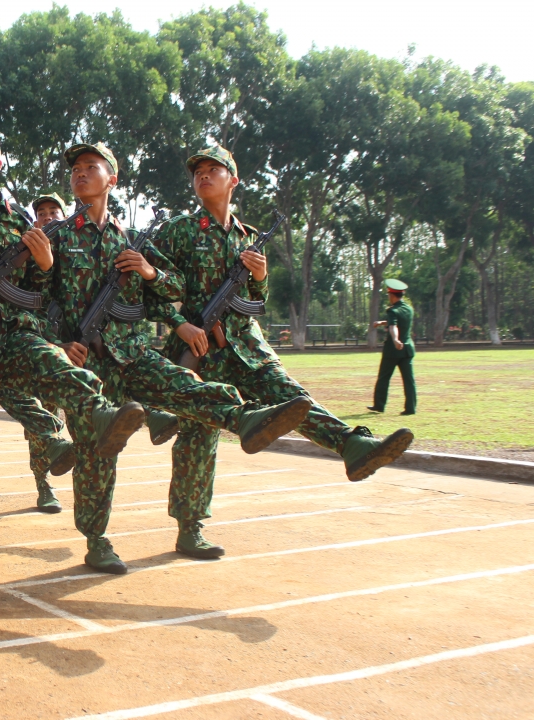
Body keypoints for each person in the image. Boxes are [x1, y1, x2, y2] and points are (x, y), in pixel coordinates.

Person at [47, 141, 311, 570]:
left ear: (112, 178)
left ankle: (245, 418)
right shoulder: (57, 237)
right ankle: (97, 540)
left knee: (186, 385)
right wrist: (57, 342)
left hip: (132, 353)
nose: (80, 172)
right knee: (97, 452)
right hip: (84, 364)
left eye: (90, 166)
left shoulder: (131, 240)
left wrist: (149, 271)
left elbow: (173, 289)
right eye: (75, 168)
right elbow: (37, 298)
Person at [152, 144, 414, 558]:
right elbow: (149, 286)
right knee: (199, 435)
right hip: (201, 345)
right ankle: (190, 528)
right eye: (197, 171)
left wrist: (261, 276)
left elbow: (256, 301)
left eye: (213, 169)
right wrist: (178, 323)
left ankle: (352, 446)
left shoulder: (249, 236)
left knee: (291, 396)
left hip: (246, 345)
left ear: (233, 180)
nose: (202, 175)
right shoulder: (179, 230)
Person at [0, 119, 147, 585]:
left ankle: (100, 413)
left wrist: (43, 264)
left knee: (54, 364)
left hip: (14, 335)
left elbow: (36, 289)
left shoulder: (20, 221)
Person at [369, 278, 416, 416]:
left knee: (384, 377)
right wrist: (381, 323)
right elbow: (396, 322)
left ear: (392, 295)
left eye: (389, 295)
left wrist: (395, 339)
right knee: (409, 380)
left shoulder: (392, 311)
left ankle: (379, 405)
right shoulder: (408, 309)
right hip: (407, 349)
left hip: (393, 351)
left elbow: (393, 326)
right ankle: (411, 408)